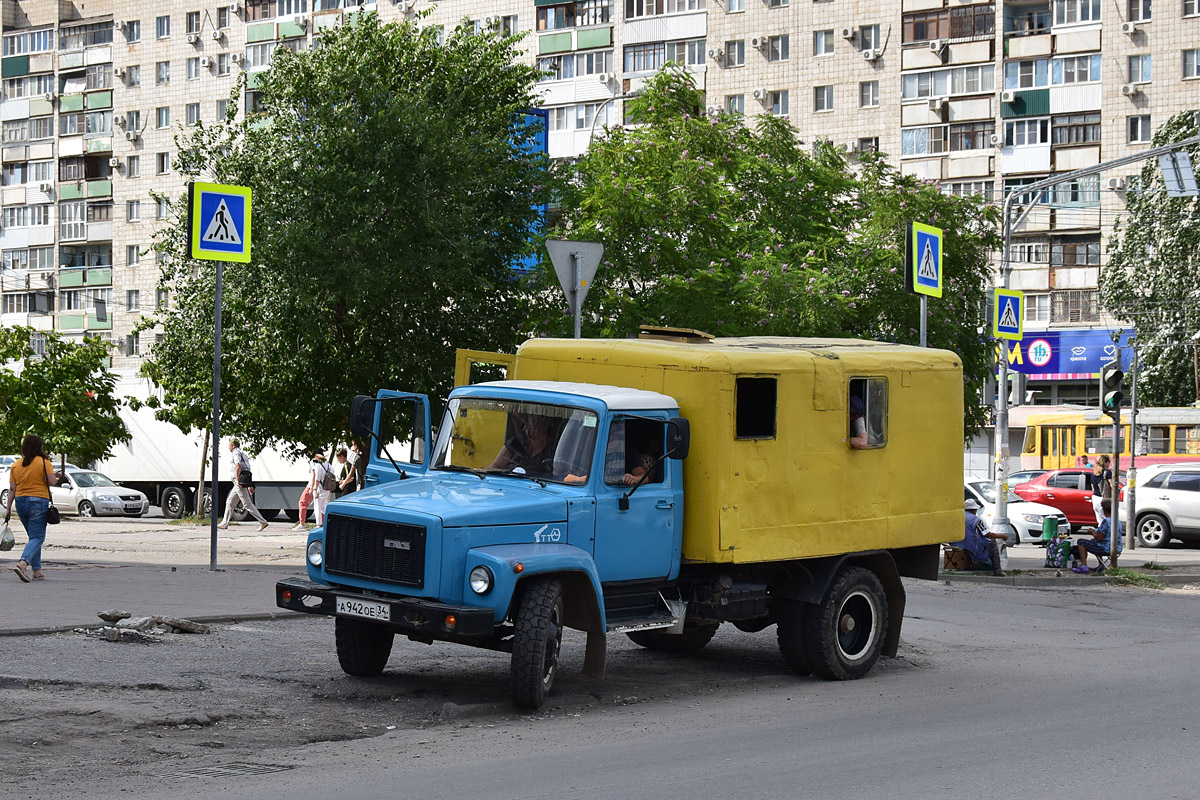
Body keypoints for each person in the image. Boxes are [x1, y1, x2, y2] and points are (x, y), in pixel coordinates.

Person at [3, 434, 59, 582]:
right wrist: (57, 477)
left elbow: (12, 489)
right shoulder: (43, 462)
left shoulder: (16, 465)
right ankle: (23, 563)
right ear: (39, 446)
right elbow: (52, 482)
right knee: (38, 537)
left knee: (33, 537)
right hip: (38, 501)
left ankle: (37, 571)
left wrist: (8, 509)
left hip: (20, 502)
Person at [218, 438, 269, 531]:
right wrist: (249, 485)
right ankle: (224, 523)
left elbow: (238, 466)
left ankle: (262, 521)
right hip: (242, 481)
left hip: (238, 481)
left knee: (247, 504)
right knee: (230, 501)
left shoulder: (235, 453)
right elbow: (247, 469)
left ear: (233, 445)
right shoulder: (243, 454)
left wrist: (237, 480)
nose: (228, 447)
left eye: (229, 445)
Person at [946, 499, 1007, 575]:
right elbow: (987, 534)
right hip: (969, 545)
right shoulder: (975, 520)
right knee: (992, 542)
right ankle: (997, 570)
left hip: (956, 543)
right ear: (974, 510)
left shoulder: (957, 517)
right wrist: (1002, 536)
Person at [489, 413, 558, 474]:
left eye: (534, 421)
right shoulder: (516, 442)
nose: (527, 425)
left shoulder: (555, 447)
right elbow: (494, 468)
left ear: (546, 423)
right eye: (526, 421)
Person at [1073, 497, 1123, 574]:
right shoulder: (1117, 520)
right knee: (1093, 542)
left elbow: (1098, 538)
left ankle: (1084, 566)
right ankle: (1101, 565)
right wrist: (1095, 531)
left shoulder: (1106, 522)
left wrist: (1092, 532)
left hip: (1106, 548)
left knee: (1081, 542)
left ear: (1104, 509)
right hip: (1117, 548)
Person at [291, 451, 322, 531]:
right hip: (322, 487)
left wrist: (311, 488)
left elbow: (314, 475)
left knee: (302, 503)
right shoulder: (325, 462)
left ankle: (302, 524)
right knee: (321, 506)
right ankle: (322, 524)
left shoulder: (313, 461)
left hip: (312, 485)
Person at [1090, 454, 1113, 524]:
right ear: (1105, 462)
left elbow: (1093, 488)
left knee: (1100, 521)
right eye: (1109, 462)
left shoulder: (1094, 473)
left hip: (1095, 498)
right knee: (1109, 520)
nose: (1109, 464)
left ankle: (1101, 534)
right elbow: (1112, 485)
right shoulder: (1107, 472)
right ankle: (1109, 534)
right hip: (1104, 499)